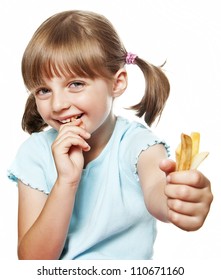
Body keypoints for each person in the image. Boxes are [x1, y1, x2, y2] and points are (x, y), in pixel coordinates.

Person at [8, 10, 213, 260]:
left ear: (117, 83)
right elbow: (32, 263)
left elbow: (158, 192)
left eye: (76, 84)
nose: (58, 104)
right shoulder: (34, 154)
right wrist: (67, 182)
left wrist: (180, 201)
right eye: (43, 90)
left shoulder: (138, 145)